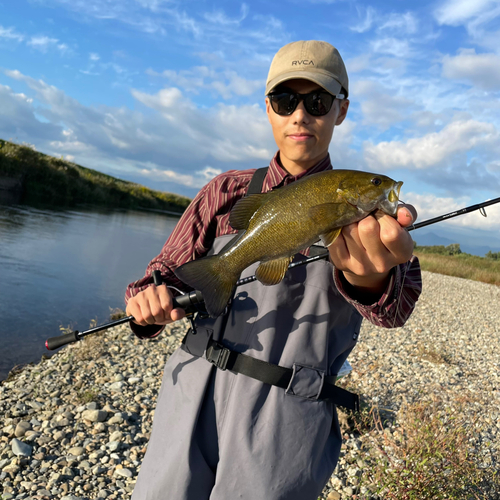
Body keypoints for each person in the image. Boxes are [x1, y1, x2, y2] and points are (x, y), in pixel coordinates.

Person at [125, 40, 422, 500]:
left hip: (286, 419)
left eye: (317, 102)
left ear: (340, 110)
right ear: (268, 109)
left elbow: (396, 309)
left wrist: (371, 278)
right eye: (286, 101)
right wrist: (148, 303)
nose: (300, 115)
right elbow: (162, 274)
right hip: (190, 393)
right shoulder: (223, 192)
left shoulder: (371, 218)